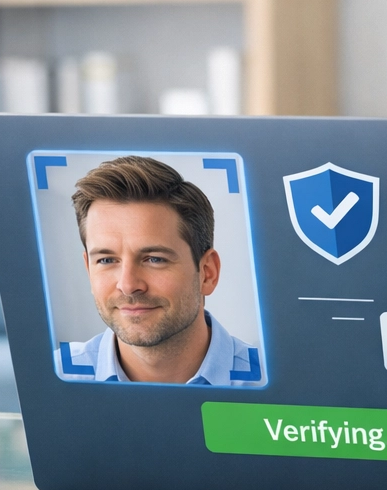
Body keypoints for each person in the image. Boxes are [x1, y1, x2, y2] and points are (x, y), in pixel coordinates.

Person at [55, 155, 258, 385]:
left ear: (207, 273)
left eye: (154, 259)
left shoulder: (280, 390)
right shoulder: (51, 381)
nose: (129, 285)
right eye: (106, 260)